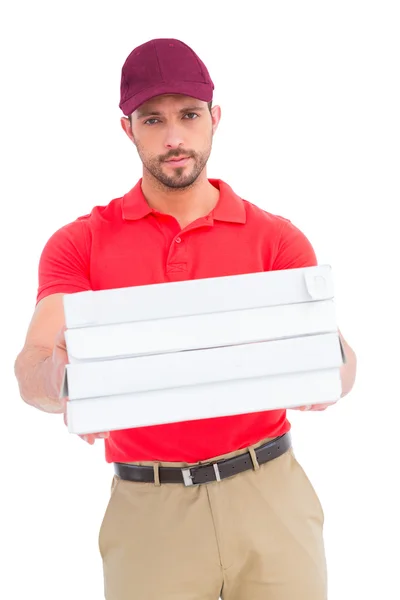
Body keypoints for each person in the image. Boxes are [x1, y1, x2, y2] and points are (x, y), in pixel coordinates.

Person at [14, 38, 357, 600]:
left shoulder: (276, 238)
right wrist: (66, 382)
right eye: (154, 120)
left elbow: (340, 361)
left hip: (269, 495)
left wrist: (327, 370)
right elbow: (33, 366)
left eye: (189, 116)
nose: (174, 137)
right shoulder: (79, 243)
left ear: (214, 119)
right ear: (128, 128)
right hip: (149, 511)